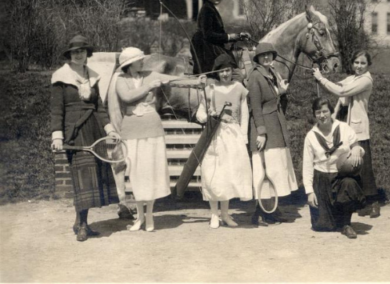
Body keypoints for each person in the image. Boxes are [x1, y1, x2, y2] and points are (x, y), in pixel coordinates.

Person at [108, 47, 205, 232]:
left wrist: (195, 81)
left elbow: (174, 79)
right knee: (136, 174)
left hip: (152, 128)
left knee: (150, 173)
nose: (142, 62)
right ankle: (139, 218)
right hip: (132, 130)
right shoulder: (121, 79)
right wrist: (149, 87)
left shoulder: (150, 74)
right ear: (129, 64)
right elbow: (127, 97)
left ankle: (150, 216)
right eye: (138, 60)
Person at [51, 35, 121, 242]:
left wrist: (109, 129)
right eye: (75, 52)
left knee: (92, 180)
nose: (78, 54)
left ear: (87, 54)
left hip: (94, 131)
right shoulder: (60, 78)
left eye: (82, 51)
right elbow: (56, 110)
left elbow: (99, 107)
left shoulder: (93, 77)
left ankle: (80, 221)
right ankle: (82, 225)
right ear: (70, 55)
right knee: (81, 179)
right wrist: (57, 135)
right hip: (75, 132)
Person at [313, 50, 380, 218]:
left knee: (363, 166)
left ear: (368, 65)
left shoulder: (366, 80)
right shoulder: (352, 79)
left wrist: (321, 78)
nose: (359, 66)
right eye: (356, 62)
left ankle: (374, 203)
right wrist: (322, 71)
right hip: (345, 126)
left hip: (358, 129)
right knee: (349, 166)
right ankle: (359, 202)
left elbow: (341, 92)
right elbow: (337, 86)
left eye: (363, 63)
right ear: (352, 64)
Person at [195, 54, 253, 229]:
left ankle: (226, 214)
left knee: (229, 174)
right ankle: (214, 214)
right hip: (214, 135)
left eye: (228, 70)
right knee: (214, 174)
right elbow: (200, 113)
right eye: (221, 71)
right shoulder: (210, 89)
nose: (225, 74)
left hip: (232, 135)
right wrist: (207, 117)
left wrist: (243, 137)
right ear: (217, 73)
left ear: (232, 71)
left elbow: (245, 113)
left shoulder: (238, 88)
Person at [248, 43, 298, 225]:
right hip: (265, 129)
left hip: (276, 127)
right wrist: (260, 132)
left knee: (275, 169)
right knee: (264, 170)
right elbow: (255, 107)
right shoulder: (255, 76)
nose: (266, 58)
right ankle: (260, 213)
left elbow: (273, 97)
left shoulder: (271, 74)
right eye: (263, 56)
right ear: (258, 59)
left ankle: (272, 209)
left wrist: (281, 91)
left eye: (269, 55)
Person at [303, 97, 366, 239]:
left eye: (325, 111)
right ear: (314, 115)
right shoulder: (311, 136)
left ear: (331, 112)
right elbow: (307, 165)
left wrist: (356, 150)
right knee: (322, 226)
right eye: (318, 112)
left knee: (349, 184)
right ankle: (335, 219)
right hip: (322, 178)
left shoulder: (343, 128)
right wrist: (309, 192)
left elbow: (357, 147)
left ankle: (346, 223)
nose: (322, 115)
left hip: (341, 175)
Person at [191, 0, 248, 75]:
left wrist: (238, 36)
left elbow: (218, 33)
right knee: (228, 65)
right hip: (206, 46)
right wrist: (230, 37)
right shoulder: (207, 10)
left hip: (212, 44)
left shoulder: (211, 8)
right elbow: (208, 34)